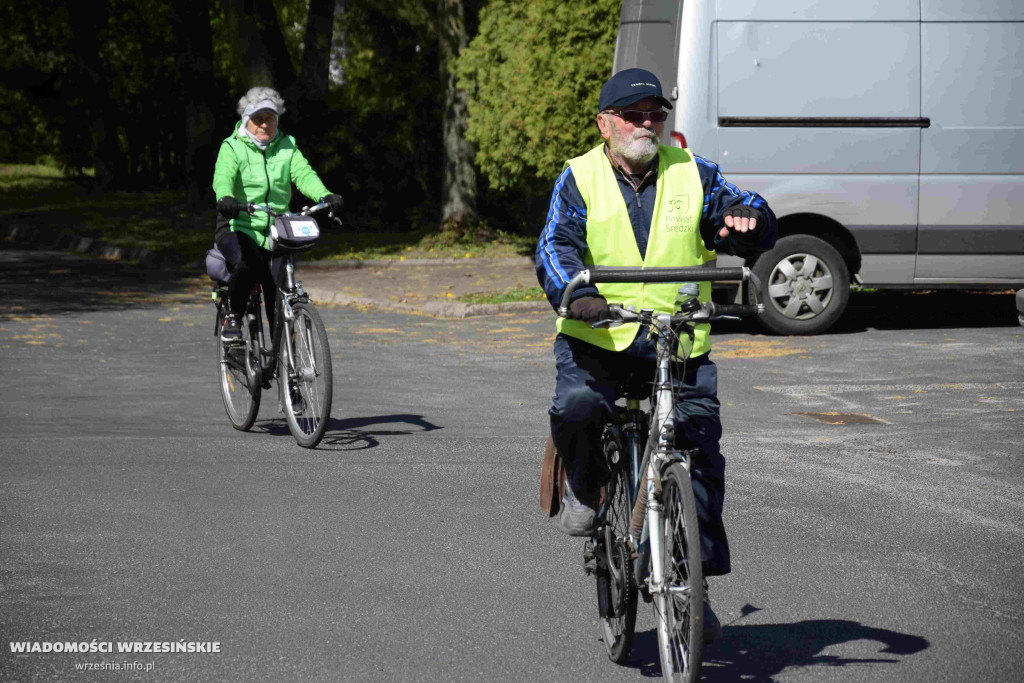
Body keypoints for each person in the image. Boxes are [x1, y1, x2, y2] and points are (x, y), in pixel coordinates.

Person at [535, 68, 777, 642]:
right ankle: (587, 487)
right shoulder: (579, 177)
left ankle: (694, 584)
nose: (647, 124)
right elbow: (554, 246)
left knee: (700, 449)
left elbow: (746, 212)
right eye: (633, 115)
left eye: (655, 115)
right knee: (576, 406)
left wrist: (747, 223)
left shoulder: (695, 173)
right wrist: (581, 295)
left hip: (678, 337)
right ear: (605, 123)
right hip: (602, 337)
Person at [212, 86, 343, 343]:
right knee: (248, 265)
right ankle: (234, 317)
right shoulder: (232, 147)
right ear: (245, 120)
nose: (264, 124)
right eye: (257, 118)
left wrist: (324, 195)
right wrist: (225, 198)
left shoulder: (287, 146)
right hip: (238, 223)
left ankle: (284, 357)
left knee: (277, 286)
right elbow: (223, 176)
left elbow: (303, 175)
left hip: (277, 228)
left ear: (277, 120)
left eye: (269, 118)